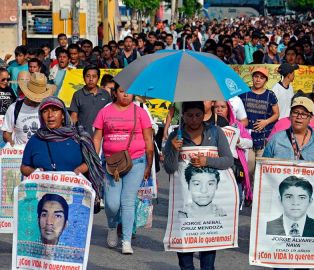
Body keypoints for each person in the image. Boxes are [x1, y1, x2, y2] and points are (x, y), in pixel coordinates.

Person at [163, 101, 233, 270]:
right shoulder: (175, 136)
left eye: (197, 115)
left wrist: (207, 161)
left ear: (204, 115)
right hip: (185, 200)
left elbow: (228, 160)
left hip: (211, 201)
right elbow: (170, 168)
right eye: (189, 116)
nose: (194, 120)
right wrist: (172, 150)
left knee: (208, 251)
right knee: (185, 253)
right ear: (183, 116)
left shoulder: (215, 132)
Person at [92, 84, 154, 254]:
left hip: (136, 161)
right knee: (112, 203)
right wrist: (94, 162)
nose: (126, 95)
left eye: (129, 92)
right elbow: (97, 138)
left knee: (128, 201)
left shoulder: (140, 112)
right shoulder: (105, 112)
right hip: (112, 163)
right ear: (115, 93)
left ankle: (126, 240)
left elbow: (149, 140)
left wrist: (149, 165)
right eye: (121, 91)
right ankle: (112, 226)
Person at [264, 96, 314, 162]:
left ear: (311, 118)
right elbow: (263, 166)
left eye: (304, 114)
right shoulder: (276, 139)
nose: (299, 117)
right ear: (290, 115)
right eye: (295, 112)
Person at [214, 100, 253, 205]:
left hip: (234, 166)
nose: (219, 109)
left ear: (229, 109)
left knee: (237, 199)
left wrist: (238, 140)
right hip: (216, 165)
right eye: (216, 107)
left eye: (223, 107)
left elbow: (250, 143)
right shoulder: (209, 125)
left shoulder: (237, 125)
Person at [2, 73, 55, 146]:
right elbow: (7, 133)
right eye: (33, 99)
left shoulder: (48, 108)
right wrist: (13, 147)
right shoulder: (14, 108)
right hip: (20, 155)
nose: (36, 101)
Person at [70, 66, 112, 136]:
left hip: (102, 136)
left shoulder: (105, 94)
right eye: (88, 76)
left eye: (94, 76)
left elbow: (110, 115)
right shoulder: (78, 94)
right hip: (83, 136)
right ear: (83, 78)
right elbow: (74, 117)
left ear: (98, 78)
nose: (91, 79)